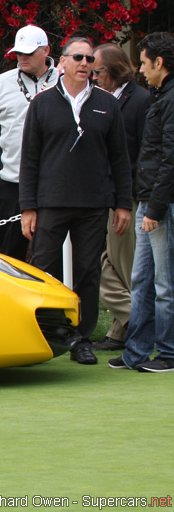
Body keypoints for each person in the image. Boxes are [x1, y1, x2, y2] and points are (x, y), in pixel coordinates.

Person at [20, 36, 133, 366]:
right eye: (79, 57)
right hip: (50, 202)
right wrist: (28, 206)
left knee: (87, 272)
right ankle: (44, 333)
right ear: (63, 62)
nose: (85, 63)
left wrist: (123, 203)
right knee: (43, 269)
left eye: (89, 59)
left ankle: (81, 339)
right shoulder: (42, 104)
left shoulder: (107, 104)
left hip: (93, 203)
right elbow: (30, 159)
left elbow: (120, 159)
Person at [111, 32, 174, 372]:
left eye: (144, 62)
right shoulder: (159, 96)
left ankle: (168, 352)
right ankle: (136, 351)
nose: (140, 69)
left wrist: (155, 208)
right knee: (142, 280)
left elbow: (169, 159)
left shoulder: (169, 99)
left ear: (159, 63)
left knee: (164, 284)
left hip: (158, 205)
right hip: (148, 201)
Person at [0, 25, 59, 261]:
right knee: (11, 256)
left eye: (29, 53)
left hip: (55, 185)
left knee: (55, 256)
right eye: (19, 53)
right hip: (12, 185)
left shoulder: (64, 81)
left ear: (46, 51)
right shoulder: (1, 84)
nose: (22, 57)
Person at [92, 43, 151, 352]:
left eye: (98, 70)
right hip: (105, 194)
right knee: (105, 262)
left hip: (127, 197)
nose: (94, 76)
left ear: (114, 68)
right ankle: (131, 323)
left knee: (120, 265)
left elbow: (145, 151)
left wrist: (128, 197)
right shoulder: (102, 99)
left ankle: (130, 327)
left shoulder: (140, 100)